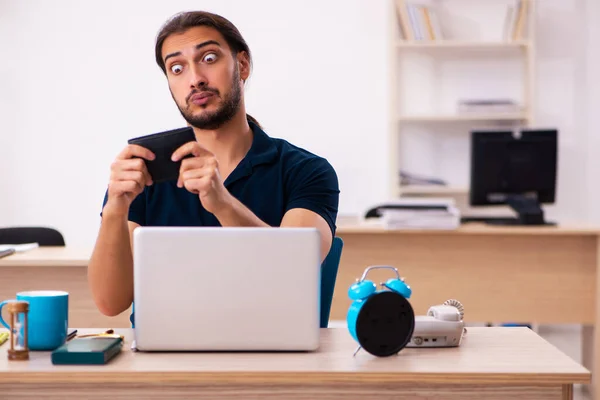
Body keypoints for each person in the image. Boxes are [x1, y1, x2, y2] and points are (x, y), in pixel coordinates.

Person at [87, 11, 340, 318]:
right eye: (177, 68)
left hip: (272, 357)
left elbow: (292, 272)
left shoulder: (306, 171)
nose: (195, 79)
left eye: (208, 58)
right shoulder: (144, 171)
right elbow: (110, 303)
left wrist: (222, 203)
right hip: (164, 358)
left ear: (242, 65)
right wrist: (115, 208)